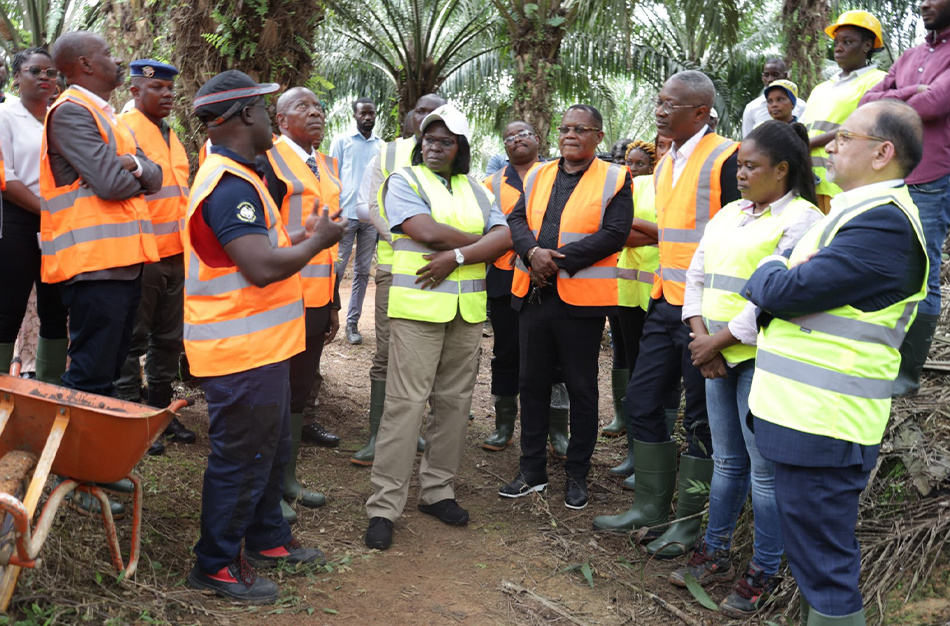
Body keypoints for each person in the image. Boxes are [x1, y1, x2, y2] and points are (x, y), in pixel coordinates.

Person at [744, 100, 926, 626]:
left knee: (824, 564)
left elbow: (785, 289)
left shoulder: (885, 225)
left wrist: (774, 262)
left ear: (882, 153)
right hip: (807, 415)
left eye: (845, 136)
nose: (831, 145)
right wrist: (781, 270)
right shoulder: (856, 213)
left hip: (825, 421)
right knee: (813, 557)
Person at [183, 70, 344, 603]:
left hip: (264, 347)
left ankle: (267, 538)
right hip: (239, 353)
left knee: (269, 449)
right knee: (241, 457)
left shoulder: (241, 176)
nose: (272, 117)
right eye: (264, 107)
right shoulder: (228, 185)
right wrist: (317, 241)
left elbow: (257, 246)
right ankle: (216, 563)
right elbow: (258, 267)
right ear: (245, 115)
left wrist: (295, 238)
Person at [669, 121, 822, 617]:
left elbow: (775, 296)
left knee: (763, 471)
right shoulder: (729, 214)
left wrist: (718, 340)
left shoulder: (803, 219)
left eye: (750, 166)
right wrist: (701, 339)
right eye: (738, 164)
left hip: (760, 359)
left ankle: (764, 568)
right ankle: (714, 552)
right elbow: (697, 274)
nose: (740, 173)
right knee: (728, 462)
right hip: (714, 354)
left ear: (783, 169)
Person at [592, 71, 740, 561]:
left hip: (710, 313)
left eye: (669, 104)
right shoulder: (665, 162)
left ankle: (686, 524)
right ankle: (650, 508)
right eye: (658, 101)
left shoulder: (727, 157)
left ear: (700, 112)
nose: (659, 110)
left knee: (699, 420)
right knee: (642, 401)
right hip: (665, 300)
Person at [364, 104, 510, 550]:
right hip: (417, 310)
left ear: (460, 149)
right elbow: (423, 230)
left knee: (454, 405)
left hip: (466, 314)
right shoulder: (404, 180)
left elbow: (505, 236)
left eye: (444, 141)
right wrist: (483, 243)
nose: (433, 147)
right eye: (428, 139)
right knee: (404, 406)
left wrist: (463, 255)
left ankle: (437, 491)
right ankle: (384, 506)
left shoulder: (481, 190)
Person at [41, 32, 163, 518]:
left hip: (122, 263)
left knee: (110, 370)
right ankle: (71, 473)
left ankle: (93, 467)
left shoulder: (107, 118)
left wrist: (133, 164)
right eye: (111, 55)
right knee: (89, 371)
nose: (121, 61)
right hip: (92, 267)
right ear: (87, 64)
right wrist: (133, 168)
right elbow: (115, 183)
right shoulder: (71, 112)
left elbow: (152, 176)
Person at [499, 104, 632, 510]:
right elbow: (517, 219)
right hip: (534, 295)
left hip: (581, 303)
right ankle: (532, 470)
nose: (570, 135)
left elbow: (615, 234)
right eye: (565, 128)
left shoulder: (615, 177)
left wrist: (555, 260)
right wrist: (531, 253)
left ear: (598, 136)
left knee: (581, 389)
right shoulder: (539, 173)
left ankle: (577, 473)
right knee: (531, 384)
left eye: (581, 129)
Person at [257, 87, 342, 523]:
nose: (315, 113)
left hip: (315, 296)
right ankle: (270, 484)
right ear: (280, 119)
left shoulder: (325, 163)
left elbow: (329, 240)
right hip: (280, 293)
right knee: (277, 386)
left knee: (300, 386)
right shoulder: (269, 160)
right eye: (302, 107)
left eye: (319, 107)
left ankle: (287, 477)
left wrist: (333, 302)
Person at [859, 0, 950, 396]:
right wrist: (910, 89)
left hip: (931, 178)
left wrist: (892, 99)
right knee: (878, 263)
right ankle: (874, 359)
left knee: (923, 275)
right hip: (888, 177)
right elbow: (867, 102)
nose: (922, 3)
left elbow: (933, 106)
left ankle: (904, 378)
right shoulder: (912, 55)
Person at [350, 93, 446, 466]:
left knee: (426, 356)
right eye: (422, 111)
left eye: (436, 113)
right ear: (411, 117)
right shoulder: (388, 154)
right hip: (396, 268)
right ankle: (378, 435)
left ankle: (414, 432)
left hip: (442, 269)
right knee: (387, 352)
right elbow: (373, 206)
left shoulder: (456, 153)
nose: (428, 118)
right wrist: (409, 240)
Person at [115, 59, 197, 454]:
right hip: (141, 252)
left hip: (176, 254)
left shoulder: (172, 135)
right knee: (133, 339)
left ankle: (161, 412)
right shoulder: (123, 128)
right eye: (158, 88)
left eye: (170, 88)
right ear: (134, 91)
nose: (168, 95)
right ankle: (132, 417)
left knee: (168, 340)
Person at [603, 140, 681, 490]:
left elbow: (669, 234)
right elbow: (614, 234)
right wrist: (638, 231)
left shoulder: (662, 185)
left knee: (653, 373)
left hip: (657, 292)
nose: (631, 165)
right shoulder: (625, 186)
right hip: (624, 289)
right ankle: (635, 452)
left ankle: (654, 456)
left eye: (638, 161)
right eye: (627, 161)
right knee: (629, 362)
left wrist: (633, 228)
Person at [0, 48, 68, 381]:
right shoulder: (5, 115)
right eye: (35, 71)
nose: (45, 77)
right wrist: (48, 211)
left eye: (51, 72)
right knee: (8, 308)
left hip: (58, 224)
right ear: (17, 77)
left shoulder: (60, 116)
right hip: (16, 221)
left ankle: (48, 392)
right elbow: (6, 178)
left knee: (56, 308)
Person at [480, 121, 543, 452]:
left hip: (548, 275)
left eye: (523, 134)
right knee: (505, 350)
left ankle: (554, 430)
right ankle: (504, 425)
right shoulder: (491, 182)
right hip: (505, 277)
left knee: (552, 354)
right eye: (509, 137)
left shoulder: (555, 175)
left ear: (536, 139)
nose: (516, 140)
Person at [802, 10, 886, 212]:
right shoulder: (821, 88)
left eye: (847, 42)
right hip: (809, 182)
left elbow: (867, 126)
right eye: (836, 42)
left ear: (867, 45)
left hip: (843, 184)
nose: (838, 48)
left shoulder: (877, 80)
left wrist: (807, 144)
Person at [330, 97, 382, 345]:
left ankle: (352, 323)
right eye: (363, 113)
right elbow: (331, 177)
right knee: (336, 270)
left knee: (362, 272)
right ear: (355, 115)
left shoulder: (382, 146)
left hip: (371, 218)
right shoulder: (341, 141)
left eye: (371, 113)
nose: (367, 117)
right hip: (345, 215)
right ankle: (327, 316)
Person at [741, 59, 807, 137]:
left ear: (785, 76)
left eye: (775, 75)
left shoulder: (801, 106)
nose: (770, 79)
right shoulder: (751, 108)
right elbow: (746, 139)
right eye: (766, 75)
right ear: (762, 77)